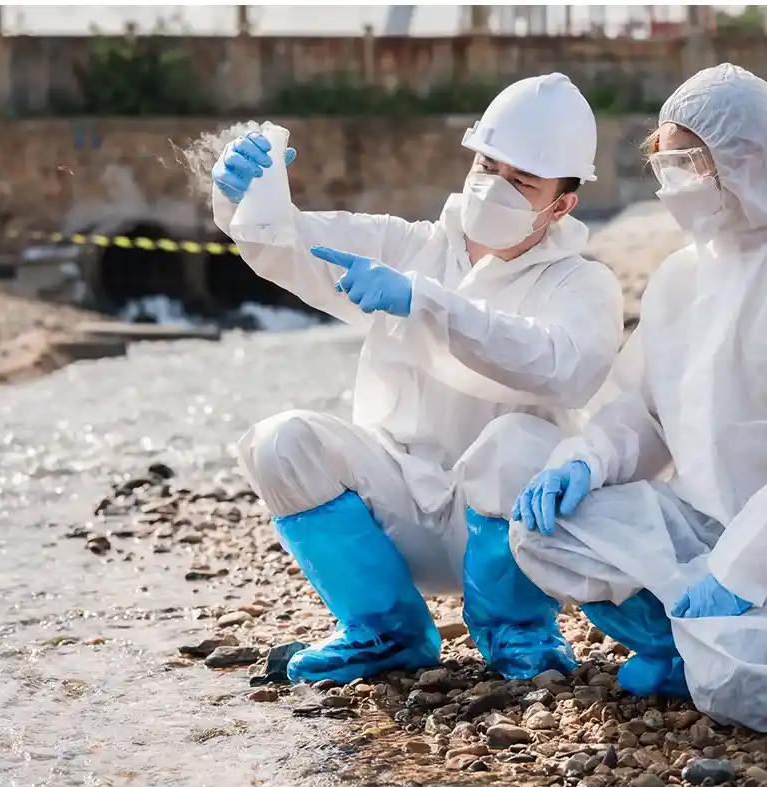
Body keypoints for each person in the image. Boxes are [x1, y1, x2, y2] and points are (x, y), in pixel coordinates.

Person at [472, 64, 767, 732]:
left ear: (750, 157)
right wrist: (585, 461)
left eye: (688, 161)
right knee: (543, 531)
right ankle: (684, 641)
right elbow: (641, 410)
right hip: (703, 518)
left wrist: (741, 569)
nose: (671, 179)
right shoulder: (679, 276)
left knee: (743, 690)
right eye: (662, 161)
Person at [209, 73, 624, 684]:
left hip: (508, 535)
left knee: (521, 443)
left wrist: (426, 303)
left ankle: (519, 633)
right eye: (488, 165)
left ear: (561, 204)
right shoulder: (408, 248)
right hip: (395, 509)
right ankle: (384, 633)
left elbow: (563, 369)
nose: (494, 188)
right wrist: (245, 197)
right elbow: (292, 244)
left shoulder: (581, 285)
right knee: (282, 440)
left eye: (522, 181)